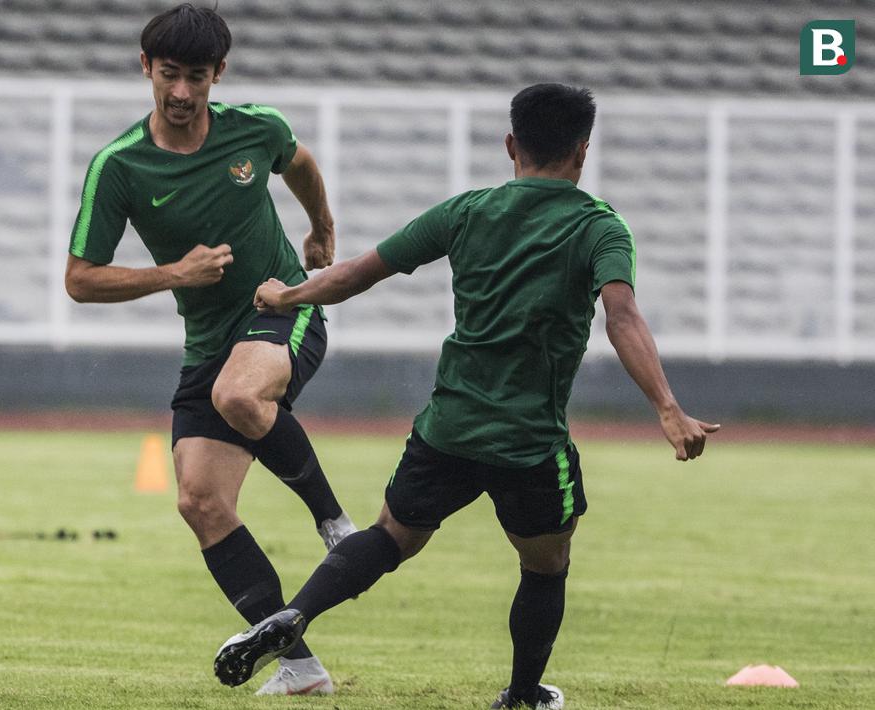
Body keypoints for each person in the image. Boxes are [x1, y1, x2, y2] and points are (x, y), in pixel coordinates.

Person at [212, 83, 720, 709]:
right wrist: (667, 408)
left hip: (447, 428)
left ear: (511, 144)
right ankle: (523, 693)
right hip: (529, 442)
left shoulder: (466, 211)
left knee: (390, 536)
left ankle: (296, 614)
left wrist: (286, 296)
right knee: (545, 566)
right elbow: (621, 318)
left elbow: (358, 272)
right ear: (582, 151)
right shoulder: (599, 228)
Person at [64, 3, 353, 696]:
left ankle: (336, 526)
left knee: (237, 394)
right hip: (208, 343)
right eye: (169, 75)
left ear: (218, 74)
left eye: (197, 76)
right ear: (145, 68)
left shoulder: (257, 129)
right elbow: (79, 280)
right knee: (199, 501)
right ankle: (300, 667)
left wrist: (321, 231)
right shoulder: (119, 166)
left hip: (281, 310)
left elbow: (302, 163)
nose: (183, 92)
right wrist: (172, 274)